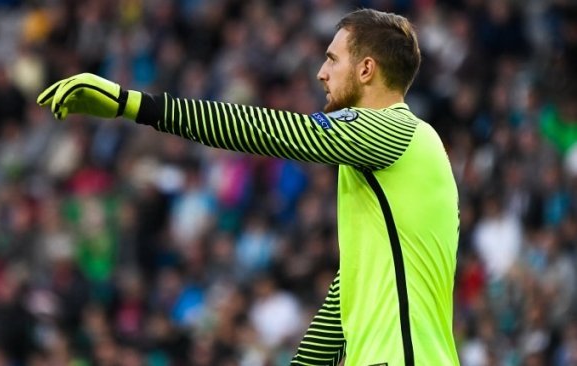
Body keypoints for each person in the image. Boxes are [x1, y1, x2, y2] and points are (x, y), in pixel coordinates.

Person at [37, 8, 459, 366]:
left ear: (367, 69)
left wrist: (134, 105)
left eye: (333, 60)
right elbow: (346, 297)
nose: (321, 73)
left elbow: (271, 131)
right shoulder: (393, 158)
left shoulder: (394, 129)